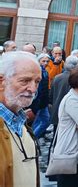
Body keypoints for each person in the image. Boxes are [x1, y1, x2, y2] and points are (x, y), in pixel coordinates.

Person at [0, 51, 41, 187]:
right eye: (25, 81)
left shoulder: (21, 120)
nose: (33, 89)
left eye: (37, 82)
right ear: (1, 82)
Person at [49, 55, 78, 131]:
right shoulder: (75, 79)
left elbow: (50, 96)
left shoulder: (57, 77)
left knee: (56, 135)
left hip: (57, 110)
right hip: (68, 113)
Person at [29, 53, 50, 139]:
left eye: (47, 61)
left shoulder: (45, 71)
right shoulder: (38, 72)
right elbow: (37, 90)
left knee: (46, 121)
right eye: (43, 61)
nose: (45, 63)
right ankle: (31, 139)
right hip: (37, 103)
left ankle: (33, 138)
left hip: (43, 102)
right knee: (35, 123)